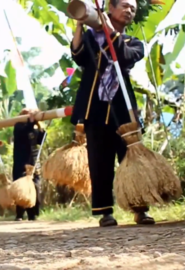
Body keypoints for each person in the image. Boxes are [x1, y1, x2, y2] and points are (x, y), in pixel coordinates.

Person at [69, 0, 153, 227]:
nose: (129, 11)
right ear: (111, 9)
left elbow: (124, 56)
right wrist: (79, 25)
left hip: (122, 107)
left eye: (133, 9)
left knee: (131, 157)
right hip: (94, 108)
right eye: (125, 6)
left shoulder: (134, 43)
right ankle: (105, 212)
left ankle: (140, 209)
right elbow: (77, 55)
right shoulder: (89, 38)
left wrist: (110, 31)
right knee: (99, 161)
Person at [12, 109, 45, 221]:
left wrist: (41, 128)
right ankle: (19, 214)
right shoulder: (18, 126)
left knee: (35, 187)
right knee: (21, 189)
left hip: (34, 162)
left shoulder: (34, 128)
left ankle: (33, 214)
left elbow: (40, 140)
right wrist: (30, 122)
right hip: (21, 162)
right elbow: (24, 133)